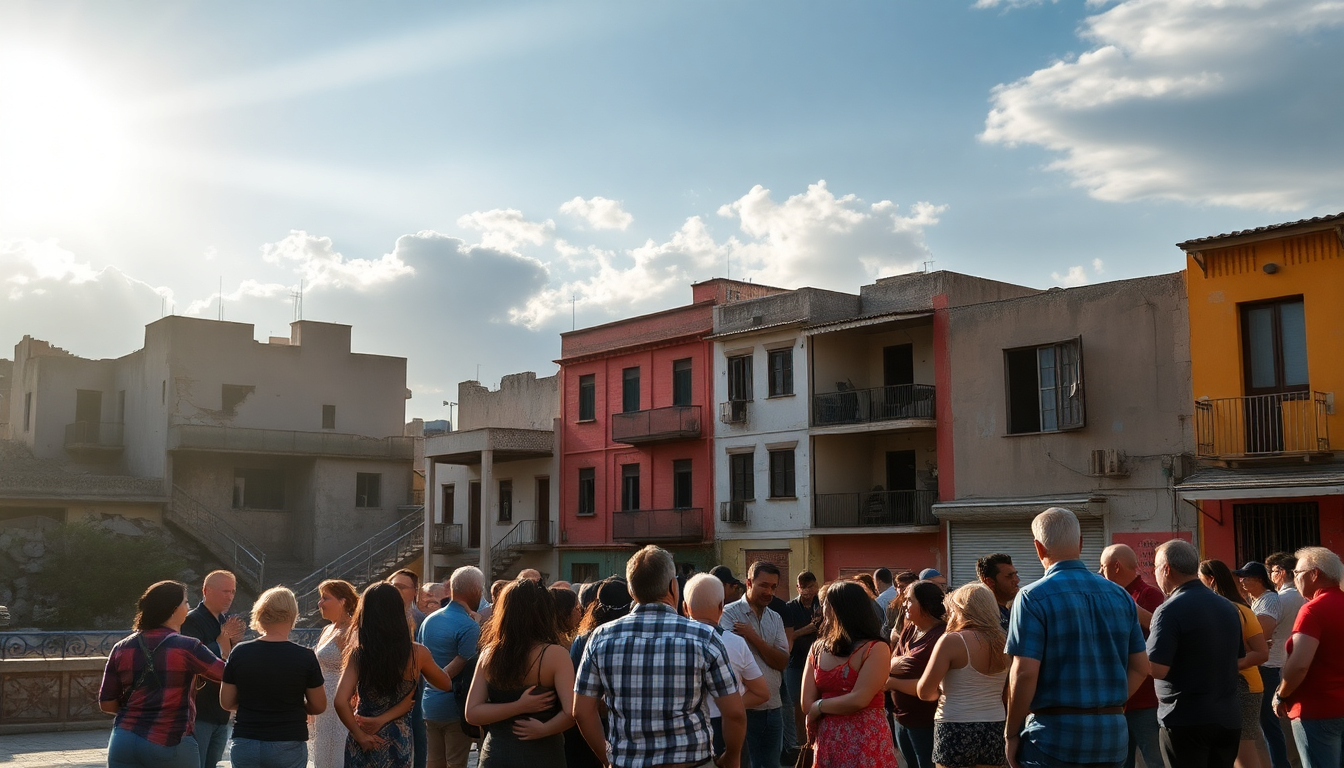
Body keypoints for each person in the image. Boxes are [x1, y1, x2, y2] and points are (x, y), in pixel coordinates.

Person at [574, 545, 745, 768]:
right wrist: (732, 757)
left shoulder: (601, 638)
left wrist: (607, 757)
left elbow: (582, 711)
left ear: (631, 591)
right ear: (673, 585)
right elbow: (734, 713)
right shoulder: (704, 637)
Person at [1004, 507, 1148, 768]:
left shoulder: (1031, 598)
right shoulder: (1120, 595)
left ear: (1038, 548)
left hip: (1053, 738)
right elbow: (1141, 666)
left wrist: (1011, 732)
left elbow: (1024, 673)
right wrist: (1107, 706)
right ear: (1080, 543)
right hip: (1112, 737)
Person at [99, 580, 227, 768]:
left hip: (123, 740)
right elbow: (228, 675)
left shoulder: (121, 648)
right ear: (174, 609)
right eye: (185, 602)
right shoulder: (187, 647)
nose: (188, 607)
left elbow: (106, 703)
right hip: (170, 740)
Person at [1146, 539, 1243, 768]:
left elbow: (1157, 667)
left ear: (1167, 569)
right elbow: (1238, 658)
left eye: (1155, 568)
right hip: (1227, 717)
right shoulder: (1227, 606)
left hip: (1185, 719)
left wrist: (1133, 649)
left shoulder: (1169, 609)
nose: (1155, 575)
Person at [336, 582, 455, 768]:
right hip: (397, 737)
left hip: (363, 734)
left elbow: (340, 701)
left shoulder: (359, 654)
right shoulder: (418, 654)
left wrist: (360, 736)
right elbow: (445, 684)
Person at [465, 578, 574, 768]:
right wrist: (541, 726)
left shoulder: (490, 653)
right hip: (542, 753)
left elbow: (473, 712)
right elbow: (573, 711)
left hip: (497, 752)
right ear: (544, 613)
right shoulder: (555, 654)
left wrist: (517, 706)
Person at [901, 584, 1009, 768]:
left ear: (959, 609)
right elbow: (1008, 691)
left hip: (955, 723)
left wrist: (941, 690)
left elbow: (925, 691)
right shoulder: (1005, 640)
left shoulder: (952, 640)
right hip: (995, 723)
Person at [219, 587, 325, 768]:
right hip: (288, 739)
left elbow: (226, 702)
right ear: (292, 615)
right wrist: (297, 705)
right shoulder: (305, 656)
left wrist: (252, 703)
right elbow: (319, 705)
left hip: (246, 739)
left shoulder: (240, 652)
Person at [802, 580, 898, 768]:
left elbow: (859, 699)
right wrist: (816, 708)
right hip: (829, 739)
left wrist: (819, 706)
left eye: (826, 606)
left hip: (866, 739)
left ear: (841, 609)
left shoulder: (876, 648)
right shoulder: (817, 649)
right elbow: (806, 704)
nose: (822, 612)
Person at [685, 573, 769, 762]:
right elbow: (762, 693)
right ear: (721, 607)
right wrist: (731, 702)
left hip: (686, 730)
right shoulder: (734, 642)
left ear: (684, 608)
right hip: (727, 727)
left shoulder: (673, 642)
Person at [1274, 546, 1344, 768]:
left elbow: (1299, 665)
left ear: (1314, 574)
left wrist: (1282, 695)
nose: (1294, 579)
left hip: (1317, 710)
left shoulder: (1313, 610)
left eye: (1297, 573)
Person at [1098, 544, 1165, 768]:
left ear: (1115, 567)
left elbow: (1159, 629)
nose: (1099, 573)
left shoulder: (1149, 594)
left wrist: (1128, 605)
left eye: (1102, 566)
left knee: (1155, 760)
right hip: (1115, 699)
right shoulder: (1106, 596)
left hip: (1144, 698)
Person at [1200, 559, 1270, 768]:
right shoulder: (1241, 608)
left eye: (1199, 578)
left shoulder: (1232, 609)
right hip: (1245, 684)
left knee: (1242, 749)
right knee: (1247, 746)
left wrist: (1229, 665)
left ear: (1210, 580)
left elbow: (1261, 653)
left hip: (1242, 685)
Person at [721, 561, 790, 768]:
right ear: (749, 583)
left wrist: (752, 636)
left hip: (773, 709)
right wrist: (769, 651)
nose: (769, 591)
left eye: (773, 587)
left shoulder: (775, 617)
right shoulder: (728, 614)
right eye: (764, 585)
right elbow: (730, 659)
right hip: (744, 709)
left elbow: (782, 661)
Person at [179, 570, 246, 768]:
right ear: (206, 591)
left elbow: (230, 661)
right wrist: (222, 642)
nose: (230, 596)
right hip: (199, 712)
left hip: (221, 712)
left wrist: (235, 645)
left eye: (232, 591)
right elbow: (193, 659)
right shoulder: (192, 620)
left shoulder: (223, 621)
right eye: (225, 591)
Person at [420, 566, 484, 768]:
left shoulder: (429, 620)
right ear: (476, 591)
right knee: (456, 763)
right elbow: (455, 668)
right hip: (454, 707)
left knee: (433, 761)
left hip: (428, 705)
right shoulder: (469, 626)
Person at [567, 578, 633, 768]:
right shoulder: (635, 636)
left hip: (590, 728)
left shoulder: (586, 639)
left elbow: (576, 692)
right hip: (623, 726)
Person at [1235, 561, 1291, 768]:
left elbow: (1261, 633)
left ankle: (1280, 764)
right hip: (1263, 665)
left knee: (1269, 725)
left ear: (1258, 579)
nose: (1241, 581)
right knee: (1263, 726)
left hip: (1267, 667)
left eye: (1245, 577)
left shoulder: (1269, 600)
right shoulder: (1259, 600)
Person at [887, 580, 947, 768]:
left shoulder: (941, 636)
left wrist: (890, 682)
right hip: (901, 719)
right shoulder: (910, 629)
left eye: (910, 600)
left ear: (926, 606)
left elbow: (932, 687)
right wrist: (901, 665)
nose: (904, 604)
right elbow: (890, 662)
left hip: (926, 722)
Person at [310, 579, 358, 768]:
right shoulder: (327, 629)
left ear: (343, 601)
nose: (320, 603)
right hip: (323, 702)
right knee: (322, 753)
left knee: (338, 753)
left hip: (341, 700)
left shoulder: (351, 631)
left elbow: (357, 669)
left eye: (325, 598)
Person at [1265, 552, 1306, 768]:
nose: (1270, 576)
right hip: (1300, 663)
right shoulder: (1305, 597)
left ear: (1280, 572)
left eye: (1272, 571)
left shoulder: (1279, 600)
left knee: (1280, 728)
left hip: (1278, 664)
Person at [388, 568, 428, 768]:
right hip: (384, 690)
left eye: (401, 587)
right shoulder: (378, 619)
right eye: (393, 586)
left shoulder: (419, 619)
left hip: (413, 691)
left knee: (416, 739)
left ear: (415, 591)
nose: (395, 591)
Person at [786, 572, 823, 754]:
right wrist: (808, 629)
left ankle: (819, 742)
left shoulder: (822, 605)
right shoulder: (790, 608)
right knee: (798, 706)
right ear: (797, 588)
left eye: (811, 587)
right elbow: (788, 636)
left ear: (816, 586)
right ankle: (804, 746)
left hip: (821, 662)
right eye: (803, 587)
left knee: (819, 702)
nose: (808, 591)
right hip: (797, 663)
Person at [977, 554, 1020, 633]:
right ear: (990, 582)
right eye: (1009, 576)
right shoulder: (982, 618)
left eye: (1016, 575)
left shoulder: (1013, 610)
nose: (1017, 580)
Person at [883, 571, 918, 640]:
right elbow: (887, 629)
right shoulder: (892, 607)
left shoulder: (918, 604)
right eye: (900, 587)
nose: (903, 590)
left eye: (907, 586)